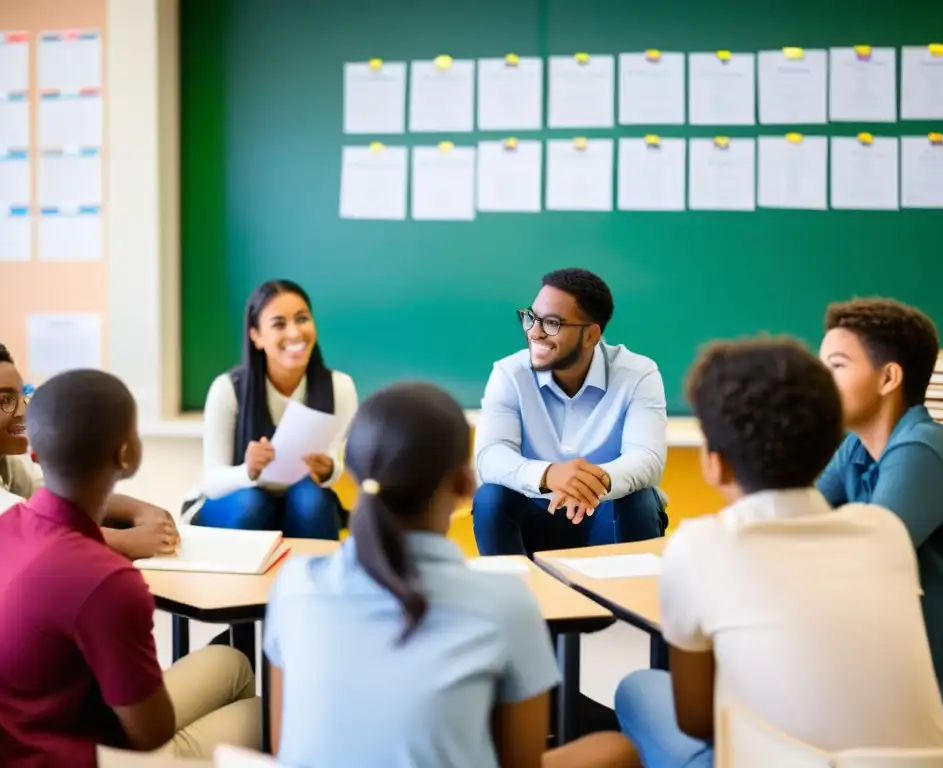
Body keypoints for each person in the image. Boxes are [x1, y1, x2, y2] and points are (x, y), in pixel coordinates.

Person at [614, 338, 943, 768]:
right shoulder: (884, 531)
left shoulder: (699, 547)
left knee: (638, 690)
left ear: (714, 463)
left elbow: (698, 720)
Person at [264, 381, 640, 768]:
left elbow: (283, 752)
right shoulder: (507, 603)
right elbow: (521, 762)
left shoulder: (294, 584)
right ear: (465, 484)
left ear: (354, 473)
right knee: (618, 751)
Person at [0, 369, 260, 767]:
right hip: (66, 754)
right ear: (128, 454)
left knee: (232, 662)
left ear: (34, 454)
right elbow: (151, 733)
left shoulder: (4, 528)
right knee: (263, 714)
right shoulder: (107, 579)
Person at [817, 298, 943, 743]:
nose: (819, 383)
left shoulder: (921, 449)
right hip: (894, 679)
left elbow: (869, 560)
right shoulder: (857, 446)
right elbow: (797, 521)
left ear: (888, 377)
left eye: (836, 366)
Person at [0, 336, 178, 610]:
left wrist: (139, 510)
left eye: (23, 395)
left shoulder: (3, 459)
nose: (24, 411)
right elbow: (27, 528)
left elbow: (54, 499)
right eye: (4, 401)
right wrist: (128, 541)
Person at [473, 268, 667, 556]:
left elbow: (647, 458)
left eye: (552, 323)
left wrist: (590, 483)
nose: (534, 332)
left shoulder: (638, 373)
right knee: (490, 498)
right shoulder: (510, 373)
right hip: (534, 513)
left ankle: (630, 597)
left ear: (590, 335)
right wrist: (549, 475)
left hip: (606, 512)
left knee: (639, 498)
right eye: (531, 317)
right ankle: (512, 595)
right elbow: (490, 455)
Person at [189, 279, 358, 540]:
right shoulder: (228, 389)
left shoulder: (340, 387)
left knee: (311, 500)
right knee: (251, 505)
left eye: (302, 319)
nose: (294, 333)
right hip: (237, 504)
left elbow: (336, 462)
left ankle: (314, 577)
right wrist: (248, 470)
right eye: (279, 324)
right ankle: (242, 581)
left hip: (300, 503)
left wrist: (327, 469)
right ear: (256, 336)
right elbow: (211, 483)